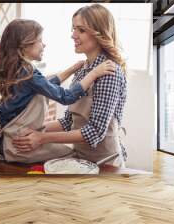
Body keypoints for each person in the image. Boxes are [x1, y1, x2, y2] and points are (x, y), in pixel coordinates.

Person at [0, 19, 116, 164]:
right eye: (40, 41)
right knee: (73, 157)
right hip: (19, 146)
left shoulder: (19, 70)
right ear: (24, 45)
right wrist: (93, 73)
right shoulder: (29, 73)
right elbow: (66, 96)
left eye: (80, 30)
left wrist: (71, 69)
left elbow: (45, 86)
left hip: (8, 144)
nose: (44, 44)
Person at [13, 4, 128, 167]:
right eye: (73, 29)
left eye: (81, 30)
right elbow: (69, 121)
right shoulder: (83, 70)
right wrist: (34, 130)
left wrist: (41, 138)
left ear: (99, 33)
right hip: (82, 158)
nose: (73, 35)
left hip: (105, 163)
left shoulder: (109, 72)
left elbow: (95, 131)